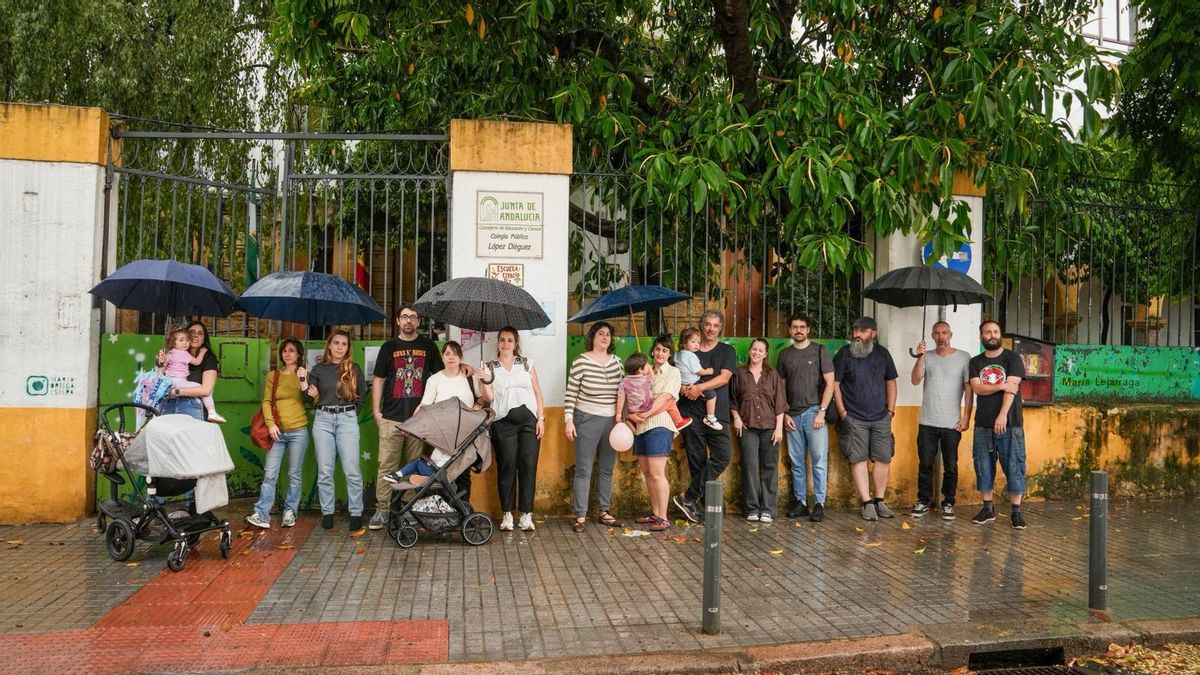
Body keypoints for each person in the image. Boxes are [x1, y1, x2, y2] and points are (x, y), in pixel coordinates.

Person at [368, 304, 444, 530]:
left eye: (413, 317)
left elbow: (440, 377)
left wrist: (463, 368)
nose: (409, 321)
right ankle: (382, 510)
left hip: (418, 422)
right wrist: (376, 411)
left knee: (415, 467)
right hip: (391, 417)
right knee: (386, 466)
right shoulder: (388, 347)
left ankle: (410, 508)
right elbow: (379, 379)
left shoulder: (428, 346)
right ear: (398, 321)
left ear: (418, 321)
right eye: (404, 317)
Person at [383, 341, 478, 495]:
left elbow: (484, 398)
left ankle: (464, 512)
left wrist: (479, 403)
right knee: (441, 471)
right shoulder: (434, 380)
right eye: (447, 354)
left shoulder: (470, 377)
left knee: (463, 475)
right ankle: (445, 511)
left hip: (465, 434)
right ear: (442, 357)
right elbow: (424, 406)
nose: (451, 357)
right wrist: (410, 426)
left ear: (461, 357)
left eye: (455, 354)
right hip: (442, 435)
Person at [832, 316, 899, 521]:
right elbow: (835, 384)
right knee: (857, 458)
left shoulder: (882, 354)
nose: (856, 335)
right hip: (854, 417)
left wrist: (890, 411)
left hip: (881, 417)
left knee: (883, 458)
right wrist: (843, 413)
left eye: (862, 331)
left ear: (873, 333)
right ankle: (866, 502)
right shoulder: (844, 354)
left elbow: (891, 382)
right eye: (855, 330)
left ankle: (879, 500)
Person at [479, 327, 545, 532]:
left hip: (529, 421)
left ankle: (526, 515)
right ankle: (507, 514)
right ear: (497, 343)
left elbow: (537, 393)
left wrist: (541, 418)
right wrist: (483, 379)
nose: (505, 344)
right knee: (507, 467)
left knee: (528, 465)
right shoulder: (489, 367)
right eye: (502, 340)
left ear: (516, 343)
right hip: (503, 423)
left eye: (510, 340)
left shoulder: (526, 363)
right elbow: (488, 398)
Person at [673, 310, 736, 523]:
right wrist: (684, 388)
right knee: (696, 461)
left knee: (723, 455)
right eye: (707, 324)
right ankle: (702, 509)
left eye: (715, 325)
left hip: (716, 414)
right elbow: (674, 376)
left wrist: (699, 389)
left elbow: (724, 378)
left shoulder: (727, 351)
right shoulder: (689, 349)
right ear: (701, 326)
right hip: (690, 413)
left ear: (720, 328)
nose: (710, 328)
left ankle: (688, 497)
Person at [564, 322, 626, 533]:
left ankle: (604, 511)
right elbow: (571, 392)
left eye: (608, 334)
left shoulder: (618, 362)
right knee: (583, 469)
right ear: (593, 336)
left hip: (611, 421)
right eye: (601, 333)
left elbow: (622, 392)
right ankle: (580, 516)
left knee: (607, 468)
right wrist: (568, 420)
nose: (605, 337)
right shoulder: (581, 361)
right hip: (586, 418)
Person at [910, 321, 972, 520]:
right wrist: (920, 357)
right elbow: (915, 379)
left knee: (951, 465)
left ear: (951, 334)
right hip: (927, 420)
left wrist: (966, 416)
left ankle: (948, 502)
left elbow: (969, 389)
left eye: (944, 333)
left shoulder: (964, 357)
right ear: (932, 335)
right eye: (936, 333)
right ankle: (923, 501)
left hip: (952, 422)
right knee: (925, 463)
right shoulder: (927, 356)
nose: (941, 336)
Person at [968, 320, 1027, 530]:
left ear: (1000, 334)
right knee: (983, 466)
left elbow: (1012, 390)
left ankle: (1016, 512)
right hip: (983, 423)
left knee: (1014, 465)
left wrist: (1002, 415)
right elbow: (977, 388)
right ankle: (987, 509)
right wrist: (1001, 385)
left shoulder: (1012, 358)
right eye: (987, 332)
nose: (991, 335)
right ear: (981, 336)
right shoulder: (975, 362)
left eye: (995, 331)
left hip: (1010, 423)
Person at [776, 313, 835, 522]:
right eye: (794, 327)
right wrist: (783, 415)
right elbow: (780, 388)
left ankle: (819, 503)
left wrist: (822, 411)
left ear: (808, 329)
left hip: (814, 413)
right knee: (797, 462)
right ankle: (800, 502)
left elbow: (830, 383)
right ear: (790, 330)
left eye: (802, 327)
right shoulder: (784, 355)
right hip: (792, 415)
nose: (798, 330)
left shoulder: (820, 350)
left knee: (819, 460)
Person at [246, 339, 310, 529]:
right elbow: (266, 402)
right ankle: (262, 513)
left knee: (294, 474)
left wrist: (304, 381)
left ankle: (290, 511)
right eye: (284, 351)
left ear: (299, 354)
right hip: (277, 433)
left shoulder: (305, 374)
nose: (287, 354)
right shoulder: (274, 375)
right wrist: (271, 424)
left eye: (292, 351)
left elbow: (313, 401)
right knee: (270, 473)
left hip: (298, 431)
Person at [307, 331, 366, 531]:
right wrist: (305, 386)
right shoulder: (318, 369)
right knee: (325, 470)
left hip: (346, 419)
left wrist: (350, 414)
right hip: (322, 419)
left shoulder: (354, 369)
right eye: (336, 343)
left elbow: (362, 397)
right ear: (329, 345)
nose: (340, 347)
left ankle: (356, 512)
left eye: (344, 344)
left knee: (352, 469)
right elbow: (308, 398)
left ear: (348, 348)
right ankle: (327, 512)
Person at [626, 334, 682, 532]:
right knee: (648, 472)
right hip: (641, 427)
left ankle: (664, 517)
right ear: (653, 351)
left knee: (658, 473)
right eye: (657, 349)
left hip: (659, 425)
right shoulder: (644, 371)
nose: (660, 353)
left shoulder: (673, 372)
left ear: (669, 354)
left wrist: (645, 412)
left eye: (664, 350)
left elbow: (666, 399)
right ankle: (655, 512)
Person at [731, 338, 787, 523]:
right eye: (754, 349)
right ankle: (752, 508)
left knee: (769, 468)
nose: (756, 353)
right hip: (747, 428)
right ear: (750, 351)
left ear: (765, 354)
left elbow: (779, 404)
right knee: (750, 467)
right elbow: (732, 400)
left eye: (760, 350)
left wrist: (779, 429)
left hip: (770, 427)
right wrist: (737, 418)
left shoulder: (773, 375)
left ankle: (768, 509)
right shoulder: (740, 374)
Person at [160, 328, 224, 423]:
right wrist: (160, 361)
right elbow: (197, 361)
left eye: (200, 333)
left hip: (187, 403)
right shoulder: (184, 354)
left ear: (204, 338)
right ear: (174, 342)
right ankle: (212, 412)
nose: (195, 336)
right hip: (171, 400)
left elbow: (206, 390)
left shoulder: (171, 353)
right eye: (192, 332)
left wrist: (174, 392)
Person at [617, 352, 691, 431]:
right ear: (640, 369)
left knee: (657, 395)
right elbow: (653, 378)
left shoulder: (624, 381)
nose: (648, 366)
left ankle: (633, 422)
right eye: (646, 365)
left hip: (633, 409)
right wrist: (649, 368)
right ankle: (679, 421)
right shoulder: (645, 379)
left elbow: (621, 398)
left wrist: (618, 414)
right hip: (645, 406)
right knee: (670, 402)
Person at [675, 328, 720, 430]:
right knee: (712, 395)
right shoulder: (691, 356)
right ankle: (710, 417)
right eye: (693, 342)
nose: (696, 345)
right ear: (684, 343)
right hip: (693, 383)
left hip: (682, 384)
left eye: (698, 342)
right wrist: (709, 371)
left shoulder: (676, 354)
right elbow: (699, 371)